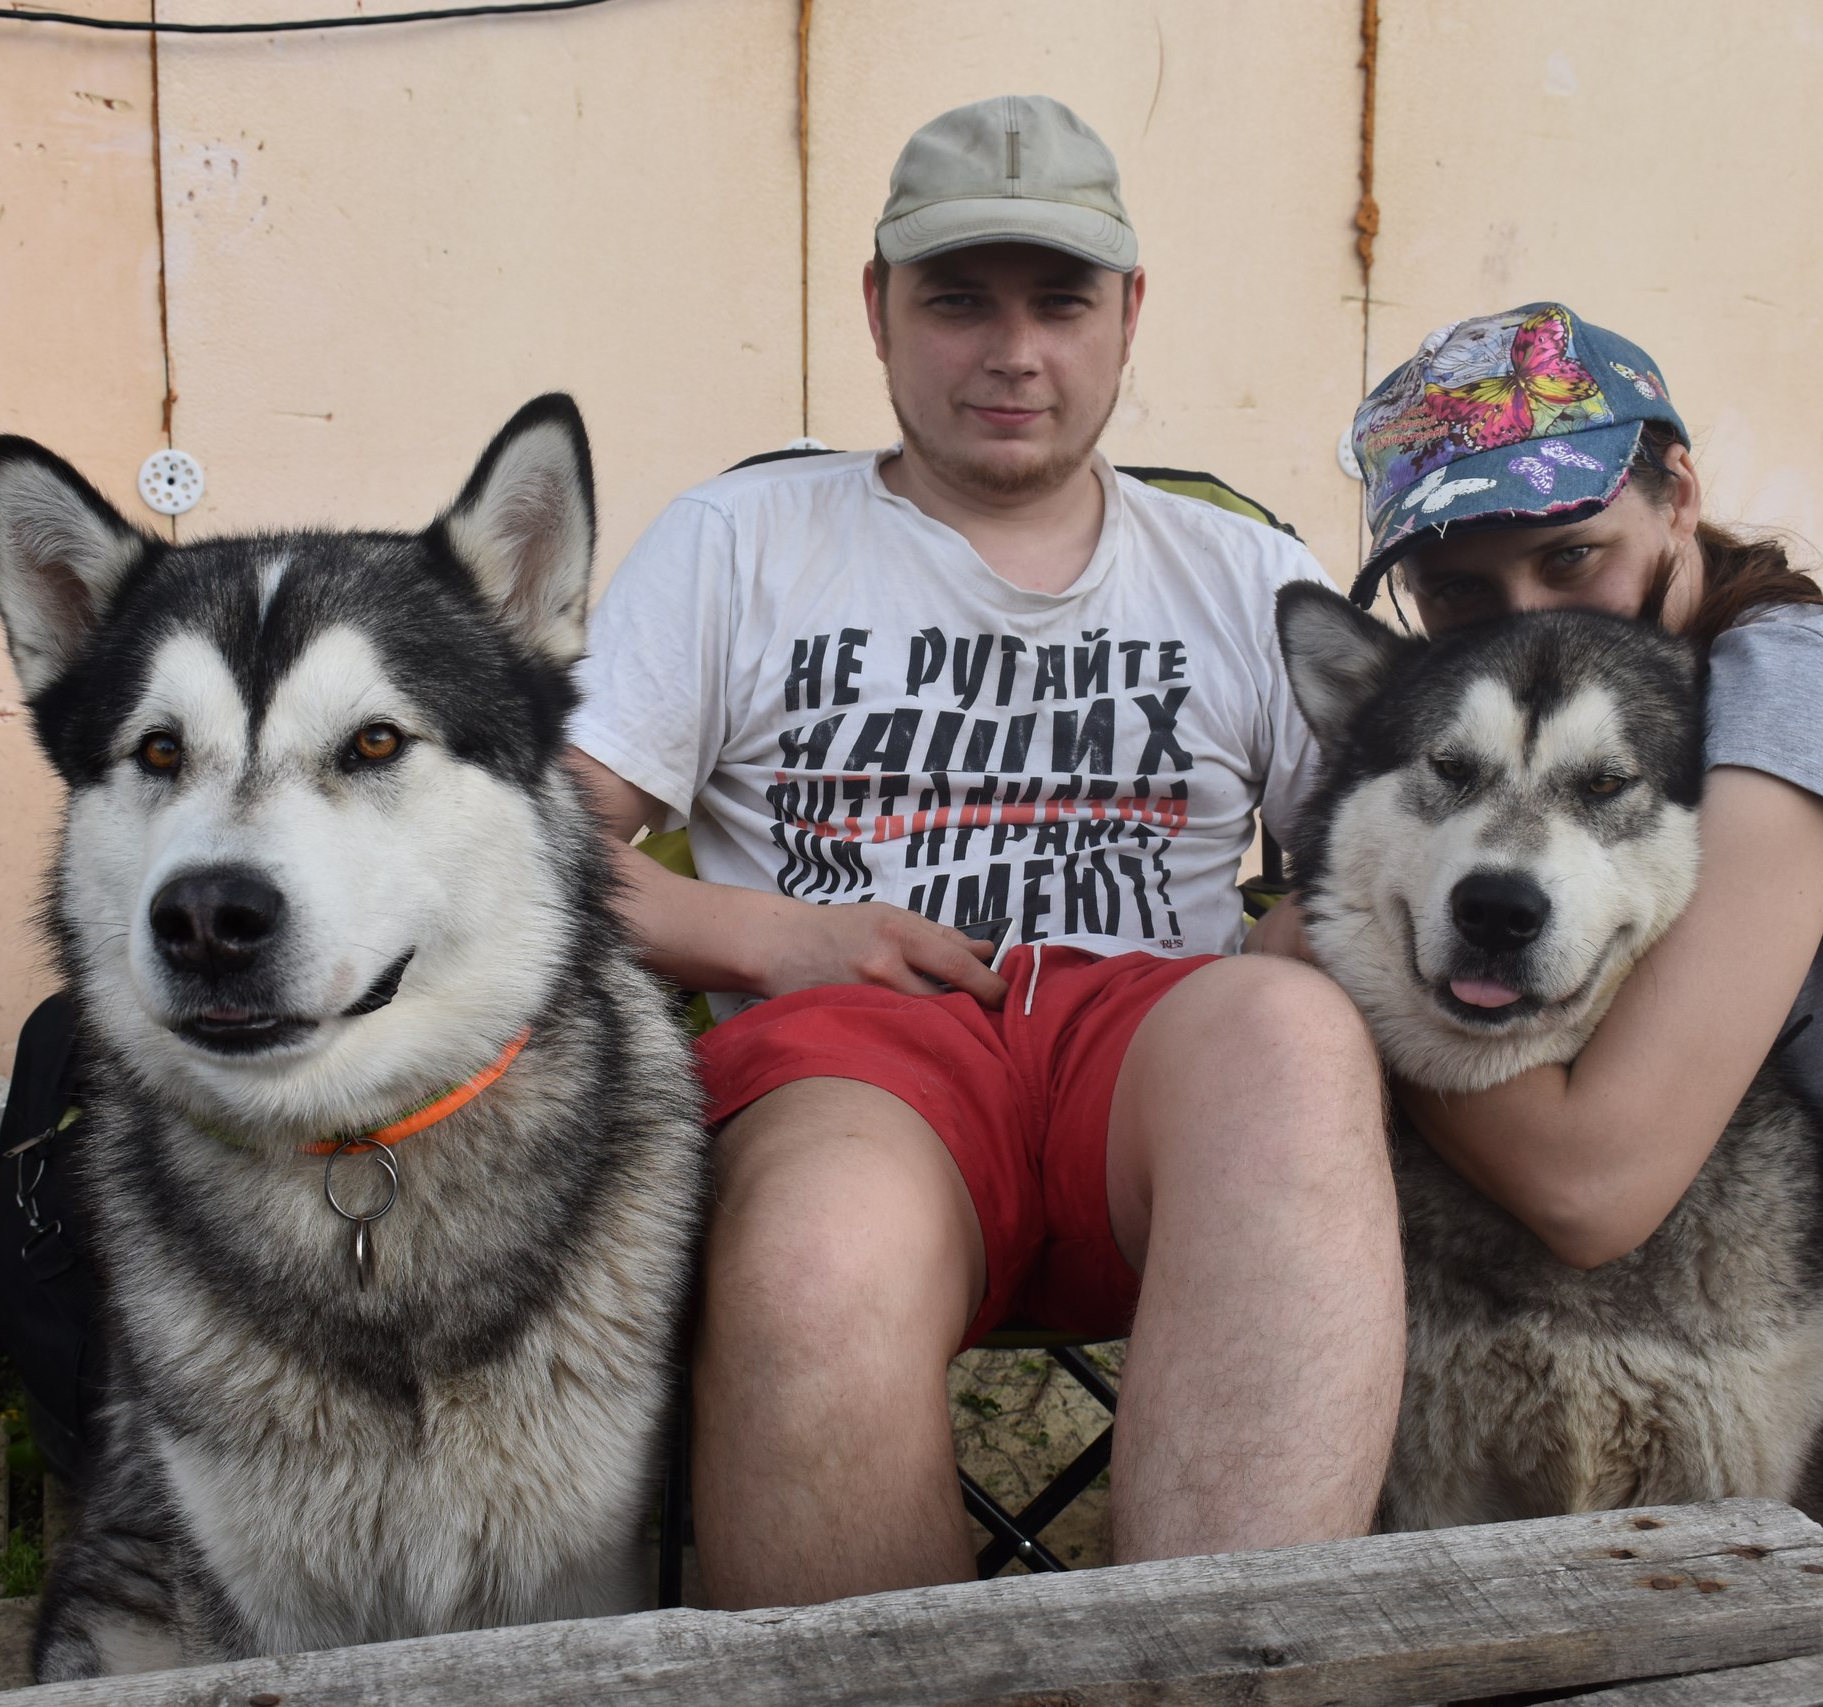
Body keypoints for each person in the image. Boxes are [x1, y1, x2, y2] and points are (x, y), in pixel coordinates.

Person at [566, 95, 1402, 1609]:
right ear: (877, 310)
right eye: (958, 300)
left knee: (1291, 1032)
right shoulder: (742, 539)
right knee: (816, 1260)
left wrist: (1305, 934)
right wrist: (775, 936)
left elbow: (1386, 848)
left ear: (1129, 315)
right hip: (854, 1054)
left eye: (1060, 303)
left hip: (1149, 1057)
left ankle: (1224, 1674)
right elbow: (527, 845)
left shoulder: (1240, 571)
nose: (1014, 352)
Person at [1303, 301, 1823, 1702]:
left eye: (1572, 554)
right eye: (1461, 593)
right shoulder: (1704, 694)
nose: (1535, 622)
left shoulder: (1792, 688)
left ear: (1678, 493)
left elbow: (1592, 1183)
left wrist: (1320, 946)